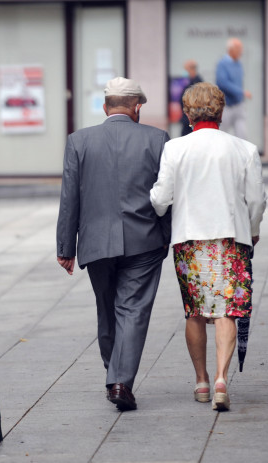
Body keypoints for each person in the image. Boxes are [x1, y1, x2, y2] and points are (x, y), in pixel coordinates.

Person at [56, 77, 171, 412]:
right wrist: (168, 236)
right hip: (145, 240)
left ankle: (115, 374)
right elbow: (167, 194)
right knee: (132, 310)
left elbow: (69, 198)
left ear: (106, 107)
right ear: (137, 107)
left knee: (107, 308)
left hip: (96, 242)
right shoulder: (157, 139)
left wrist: (66, 247)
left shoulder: (79, 141)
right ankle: (120, 380)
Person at [150, 82, 266, 412]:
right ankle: (221, 380)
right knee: (227, 309)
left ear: (187, 113)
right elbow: (256, 200)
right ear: (222, 110)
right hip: (231, 239)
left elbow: (160, 199)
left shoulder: (175, 149)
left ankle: (201, 381)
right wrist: (253, 230)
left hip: (189, 240)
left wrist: (156, 206)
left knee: (196, 311)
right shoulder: (244, 148)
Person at [216, 37, 252, 140]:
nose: (241, 51)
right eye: (239, 48)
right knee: (221, 135)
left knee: (242, 135)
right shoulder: (222, 63)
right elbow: (222, 83)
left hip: (239, 105)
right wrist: (241, 92)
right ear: (231, 49)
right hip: (226, 106)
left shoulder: (239, 64)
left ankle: (242, 156)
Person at [180, 60, 204, 136]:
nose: (185, 72)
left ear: (192, 69)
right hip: (187, 119)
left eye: (186, 70)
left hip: (192, 120)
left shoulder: (198, 83)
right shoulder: (189, 82)